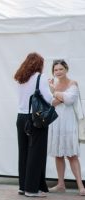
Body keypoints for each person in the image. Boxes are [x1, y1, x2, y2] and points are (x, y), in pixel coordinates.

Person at [14, 52, 53, 197]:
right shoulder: (40, 78)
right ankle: (31, 189)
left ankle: (23, 187)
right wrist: (51, 88)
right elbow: (48, 98)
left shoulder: (20, 78)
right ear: (39, 65)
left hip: (21, 117)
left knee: (23, 152)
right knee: (36, 154)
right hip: (35, 119)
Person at [48, 59, 85, 196]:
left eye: (60, 69)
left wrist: (55, 93)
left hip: (69, 123)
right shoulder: (53, 84)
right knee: (58, 155)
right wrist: (59, 96)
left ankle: (80, 186)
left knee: (72, 155)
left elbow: (69, 100)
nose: (58, 72)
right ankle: (61, 184)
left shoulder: (72, 83)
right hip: (56, 123)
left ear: (66, 69)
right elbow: (50, 103)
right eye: (55, 70)